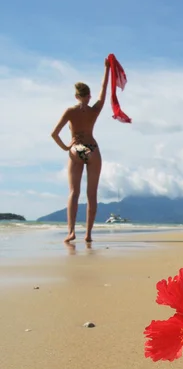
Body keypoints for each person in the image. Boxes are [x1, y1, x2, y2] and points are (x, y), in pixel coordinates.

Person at [51, 58, 110, 243]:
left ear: (77, 96)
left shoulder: (70, 111)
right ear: (88, 96)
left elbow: (54, 134)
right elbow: (104, 89)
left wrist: (66, 147)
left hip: (77, 149)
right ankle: (88, 235)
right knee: (91, 194)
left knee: (73, 193)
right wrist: (106, 69)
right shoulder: (95, 111)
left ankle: (71, 232)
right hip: (93, 149)